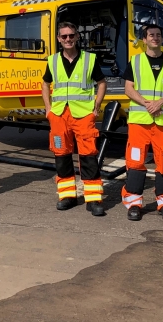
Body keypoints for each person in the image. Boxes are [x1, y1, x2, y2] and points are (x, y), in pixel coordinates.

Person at [42, 22, 107, 217]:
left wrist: (96, 106)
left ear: (77, 37)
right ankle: (67, 196)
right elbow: (45, 84)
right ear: (59, 39)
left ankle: (93, 199)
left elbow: (102, 83)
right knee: (61, 156)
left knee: (88, 156)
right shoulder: (52, 60)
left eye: (71, 36)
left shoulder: (89, 59)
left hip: (83, 114)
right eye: (64, 37)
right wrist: (48, 109)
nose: (68, 39)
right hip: (60, 115)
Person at [121, 24, 163, 221]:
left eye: (158, 35)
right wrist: (147, 104)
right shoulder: (136, 61)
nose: (155, 38)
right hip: (140, 121)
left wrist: (160, 103)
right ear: (144, 39)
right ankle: (133, 204)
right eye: (151, 35)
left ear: (162, 39)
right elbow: (128, 89)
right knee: (135, 162)